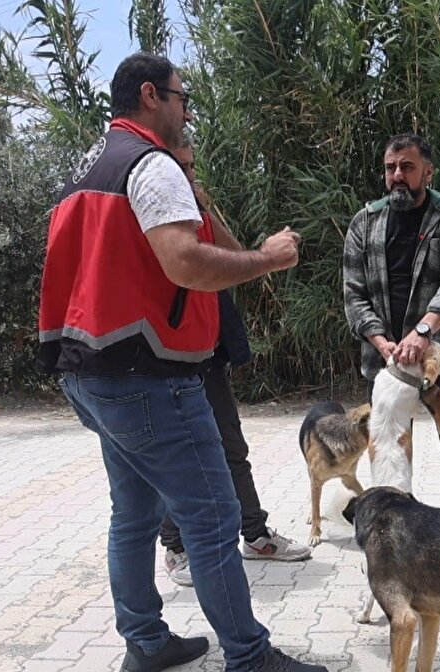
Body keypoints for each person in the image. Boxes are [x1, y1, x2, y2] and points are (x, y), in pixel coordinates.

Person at [37, 52, 326, 672]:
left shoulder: (89, 169)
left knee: (135, 513)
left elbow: (196, 246)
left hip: (90, 374)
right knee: (215, 516)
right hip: (152, 376)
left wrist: (194, 196)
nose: (187, 110)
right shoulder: (149, 164)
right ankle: (249, 656)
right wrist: (271, 259)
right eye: (181, 97)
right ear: (151, 95)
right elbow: (189, 264)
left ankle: (144, 643)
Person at [158, 138, 312, 590]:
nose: (188, 177)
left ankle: (255, 533)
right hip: (167, 355)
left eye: (191, 167)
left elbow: (238, 254)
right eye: (180, 169)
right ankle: (176, 546)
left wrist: (204, 207)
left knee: (231, 445)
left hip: (208, 348)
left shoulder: (192, 209)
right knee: (174, 455)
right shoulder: (156, 220)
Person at [342, 131, 440, 404]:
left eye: (407, 167)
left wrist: (422, 333)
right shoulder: (364, 223)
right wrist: (382, 343)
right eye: (390, 168)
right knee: (388, 445)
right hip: (385, 358)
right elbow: (354, 295)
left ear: (428, 173)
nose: (397, 176)